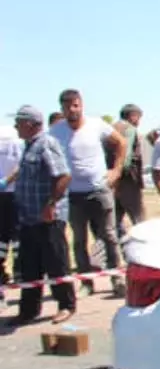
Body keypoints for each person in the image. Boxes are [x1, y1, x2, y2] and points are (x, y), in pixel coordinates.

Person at [50, 89, 126, 297]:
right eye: (67, 107)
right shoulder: (56, 131)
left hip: (99, 190)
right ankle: (86, 283)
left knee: (109, 236)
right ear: (62, 109)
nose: (72, 110)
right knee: (79, 240)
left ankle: (117, 279)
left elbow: (121, 143)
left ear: (81, 105)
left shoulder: (97, 125)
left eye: (75, 105)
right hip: (74, 195)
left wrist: (116, 170)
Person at [6, 106, 75, 326]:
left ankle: (66, 305)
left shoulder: (46, 144)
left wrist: (50, 205)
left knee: (56, 263)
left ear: (32, 123)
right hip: (28, 218)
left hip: (48, 218)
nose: (16, 126)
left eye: (20, 121)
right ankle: (28, 310)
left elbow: (63, 176)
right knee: (29, 266)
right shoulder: (28, 147)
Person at [112, 103, 148, 240]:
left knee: (112, 225)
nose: (139, 122)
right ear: (133, 116)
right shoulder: (129, 129)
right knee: (140, 222)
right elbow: (125, 158)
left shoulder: (112, 128)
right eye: (139, 118)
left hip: (111, 183)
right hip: (127, 182)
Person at [0, 122, 22, 286]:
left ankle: (18, 271)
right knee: (13, 236)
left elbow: (21, 166)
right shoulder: (15, 137)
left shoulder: (11, 137)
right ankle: (18, 271)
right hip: (13, 193)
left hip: (14, 193)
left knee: (13, 236)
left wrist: (6, 181)